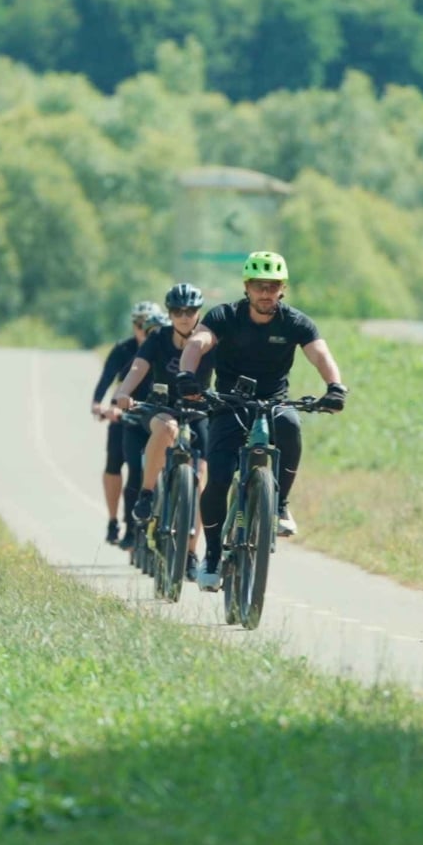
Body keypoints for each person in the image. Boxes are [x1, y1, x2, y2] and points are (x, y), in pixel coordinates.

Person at [174, 251, 347, 591]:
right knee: (219, 479)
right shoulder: (225, 316)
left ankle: (279, 505)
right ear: (247, 287)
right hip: (228, 403)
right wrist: (186, 375)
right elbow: (198, 341)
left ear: (283, 289)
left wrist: (335, 386)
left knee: (291, 425)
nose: (266, 293)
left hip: (274, 402)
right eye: (259, 286)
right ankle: (211, 557)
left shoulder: (295, 322)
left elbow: (320, 353)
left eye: (273, 286)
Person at [112, 282, 215, 581]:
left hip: (198, 411)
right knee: (166, 428)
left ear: (199, 312)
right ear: (169, 313)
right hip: (161, 408)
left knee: (202, 477)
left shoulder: (209, 339)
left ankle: (191, 553)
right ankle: (146, 495)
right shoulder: (157, 338)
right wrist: (124, 392)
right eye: (177, 311)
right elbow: (137, 367)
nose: (184, 316)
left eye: (190, 310)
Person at [91, 301, 162, 545]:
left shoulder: (164, 346)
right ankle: (114, 521)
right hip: (125, 413)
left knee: (142, 469)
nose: (145, 329)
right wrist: (98, 403)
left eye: (151, 324)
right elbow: (106, 378)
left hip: (156, 414)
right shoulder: (124, 349)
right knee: (114, 464)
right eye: (140, 324)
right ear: (134, 325)